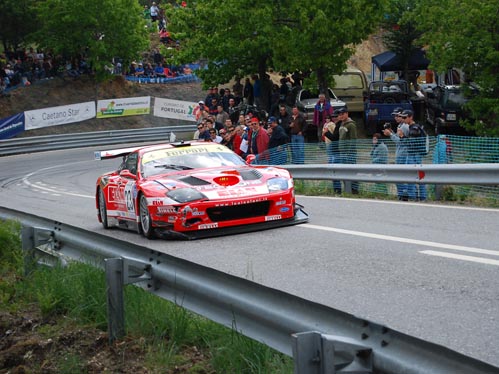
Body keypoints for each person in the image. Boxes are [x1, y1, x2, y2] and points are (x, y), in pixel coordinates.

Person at [402, 109, 427, 201]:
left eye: (405, 117)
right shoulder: (415, 127)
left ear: (410, 117)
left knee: (413, 175)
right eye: (403, 117)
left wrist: (402, 137)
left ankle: (414, 196)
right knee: (418, 176)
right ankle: (420, 196)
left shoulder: (414, 128)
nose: (404, 119)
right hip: (416, 155)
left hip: (414, 155)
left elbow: (411, 143)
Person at [383, 123, 410, 200]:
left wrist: (390, 134)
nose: (398, 132)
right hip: (399, 160)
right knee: (398, 179)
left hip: (403, 161)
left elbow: (399, 141)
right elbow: (398, 139)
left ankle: (405, 194)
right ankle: (401, 195)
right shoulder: (401, 134)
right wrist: (391, 133)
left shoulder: (405, 138)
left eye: (399, 130)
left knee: (403, 179)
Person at [337, 108, 358, 194]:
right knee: (344, 172)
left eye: (342, 114)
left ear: (347, 114)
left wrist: (350, 152)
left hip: (349, 153)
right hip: (342, 152)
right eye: (340, 114)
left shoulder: (351, 125)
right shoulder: (342, 124)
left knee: (352, 172)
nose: (341, 116)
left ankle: (354, 190)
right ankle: (346, 189)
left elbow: (353, 139)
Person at [322, 112, 342, 193]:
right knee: (332, 168)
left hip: (335, 147)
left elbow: (334, 137)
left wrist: (326, 133)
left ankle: (338, 189)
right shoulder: (330, 124)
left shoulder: (335, 125)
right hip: (330, 145)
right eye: (333, 116)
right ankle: (336, 189)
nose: (334, 118)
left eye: (335, 116)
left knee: (335, 169)